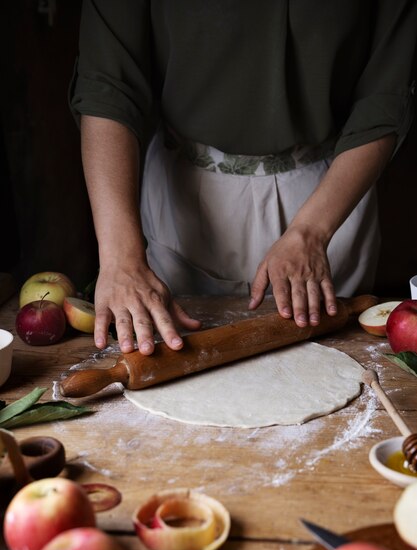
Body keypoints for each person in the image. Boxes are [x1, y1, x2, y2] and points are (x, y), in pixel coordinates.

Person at [70, 1, 417, 356]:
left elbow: (385, 96)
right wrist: (120, 258)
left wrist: (312, 232)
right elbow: (107, 86)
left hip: (330, 194)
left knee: (337, 358)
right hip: (189, 194)